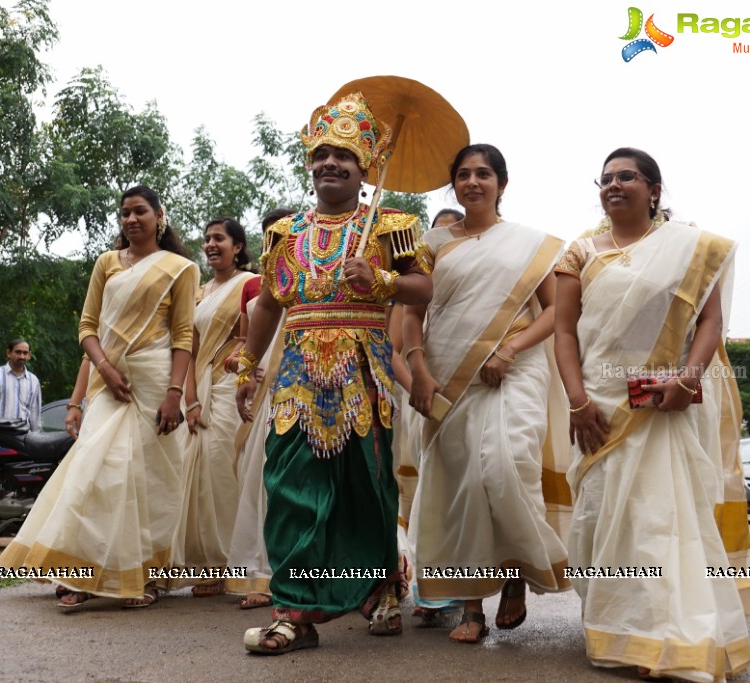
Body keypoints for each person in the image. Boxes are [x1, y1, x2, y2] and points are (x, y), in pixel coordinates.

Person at [235, 91, 433, 655]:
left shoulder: (393, 224)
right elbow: (270, 303)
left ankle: (380, 586)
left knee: (364, 491)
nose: (330, 163)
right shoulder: (284, 234)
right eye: (322, 154)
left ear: (365, 165)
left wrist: (384, 281)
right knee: (290, 487)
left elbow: (425, 289)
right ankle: (292, 612)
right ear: (309, 162)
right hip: (297, 375)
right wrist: (248, 364)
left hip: (362, 376)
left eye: (343, 155)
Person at [554, 148, 750, 681]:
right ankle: (622, 626)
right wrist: (576, 401)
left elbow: (709, 322)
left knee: (662, 519)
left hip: (666, 400)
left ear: (654, 190)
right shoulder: (578, 253)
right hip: (599, 404)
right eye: (606, 178)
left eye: (627, 177)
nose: (614, 185)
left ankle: (667, 636)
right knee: (600, 523)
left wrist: (689, 378)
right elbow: (565, 332)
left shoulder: (689, 248)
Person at [0, 185, 199, 610]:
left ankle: (146, 577)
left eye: (140, 211)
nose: (130, 219)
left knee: (149, 481)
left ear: (159, 216)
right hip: (109, 385)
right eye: (124, 212)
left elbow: (183, 336)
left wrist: (175, 394)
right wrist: (104, 370)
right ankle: (88, 573)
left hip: (156, 382)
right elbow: (88, 327)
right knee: (98, 473)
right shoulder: (107, 263)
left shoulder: (182, 269)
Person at [403, 144, 572, 644]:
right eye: (462, 175)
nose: (472, 182)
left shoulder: (531, 244)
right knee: (461, 488)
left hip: (514, 367)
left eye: (483, 173)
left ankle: (516, 571)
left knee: (505, 466)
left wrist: (509, 349)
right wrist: (417, 370)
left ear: (501, 182)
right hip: (447, 373)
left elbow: (555, 311)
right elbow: (413, 313)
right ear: (452, 185)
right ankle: (471, 606)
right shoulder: (430, 244)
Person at [168, 217, 257, 597]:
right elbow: (186, 346)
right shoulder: (200, 292)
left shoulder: (249, 284)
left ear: (238, 247)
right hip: (200, 390)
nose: (210, 244)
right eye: (206, 239)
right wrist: (190, 400)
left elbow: (253, 337)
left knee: (225, 472)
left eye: (219, 238)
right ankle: (206, 563)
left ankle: (233, 561)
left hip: (230, 386)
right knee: (198, 474)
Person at [389, 207, 464, 627]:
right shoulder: (415, 288)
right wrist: (417, 387)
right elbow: (393, 347)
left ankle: (453, 585)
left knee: (457, 490)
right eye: (437, 237)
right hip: (420, 394)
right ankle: (425, 585)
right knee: (421, 494)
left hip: (468, 386)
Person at [225, 207, 294, 611]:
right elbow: (248, 339)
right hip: (264, 390)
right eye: (270, 234)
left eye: (282, 233)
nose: (276, 240)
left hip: (303, 382)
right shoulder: (257, 286)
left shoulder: (311, 273)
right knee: (262, 480)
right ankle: (262, 574)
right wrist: (246, 372)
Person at [0, 338, 42, 431]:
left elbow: (35, 416)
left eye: (25, 353)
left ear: (29, 355)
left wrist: (36, 439)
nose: (22, 356)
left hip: (23, 437)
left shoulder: (34, 381)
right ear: (9, 353)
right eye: (18, 352)